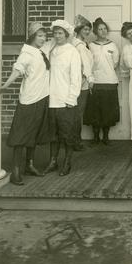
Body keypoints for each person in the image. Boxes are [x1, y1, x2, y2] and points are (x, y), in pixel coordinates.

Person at [0, 22, 50, 185]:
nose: (43, 39)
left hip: (42, 97)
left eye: (44, 36)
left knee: (33, 133)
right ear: (32, 37)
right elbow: (18, 70)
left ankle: (29, 165)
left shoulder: (40, 52)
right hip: (29, 99)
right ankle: (16, 170)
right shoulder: (27, 53)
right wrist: (6, 85)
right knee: (21, 134)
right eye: (40, 36)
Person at [43, 19, 82, 176]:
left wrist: (72, 98)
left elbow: (76, 77)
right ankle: (53, 161)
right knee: (53, 134)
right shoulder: (52, 50)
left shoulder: (72, 51)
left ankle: (67, 162)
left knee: (67, 134)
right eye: (55, 33)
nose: (57, 36)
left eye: (60, 33)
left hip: (66, 100)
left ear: (66, 35)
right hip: (52, 99)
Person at [83, 17, 120, 145]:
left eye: (104, 28)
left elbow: (115, 63)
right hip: (95, 82)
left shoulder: (113, 45)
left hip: (110, 81)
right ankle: (95, 137)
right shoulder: (91, 46)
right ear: (95, 31)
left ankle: (105, 137)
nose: (103, 31)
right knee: (95, 111)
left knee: (108, 110)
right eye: (100, 29)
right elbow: (88, 63)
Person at [71, 14, 94, 151]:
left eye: (88, 29)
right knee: (77, 113)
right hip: (81, 82)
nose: (87, 32)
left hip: (77, 81)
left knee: (75, 112)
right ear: (78, 30)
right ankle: (76, 141)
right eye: (84, 29)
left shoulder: (77, 43)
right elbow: (85, 64)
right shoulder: (79, 45)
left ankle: (73, 139)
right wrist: (90, 78)